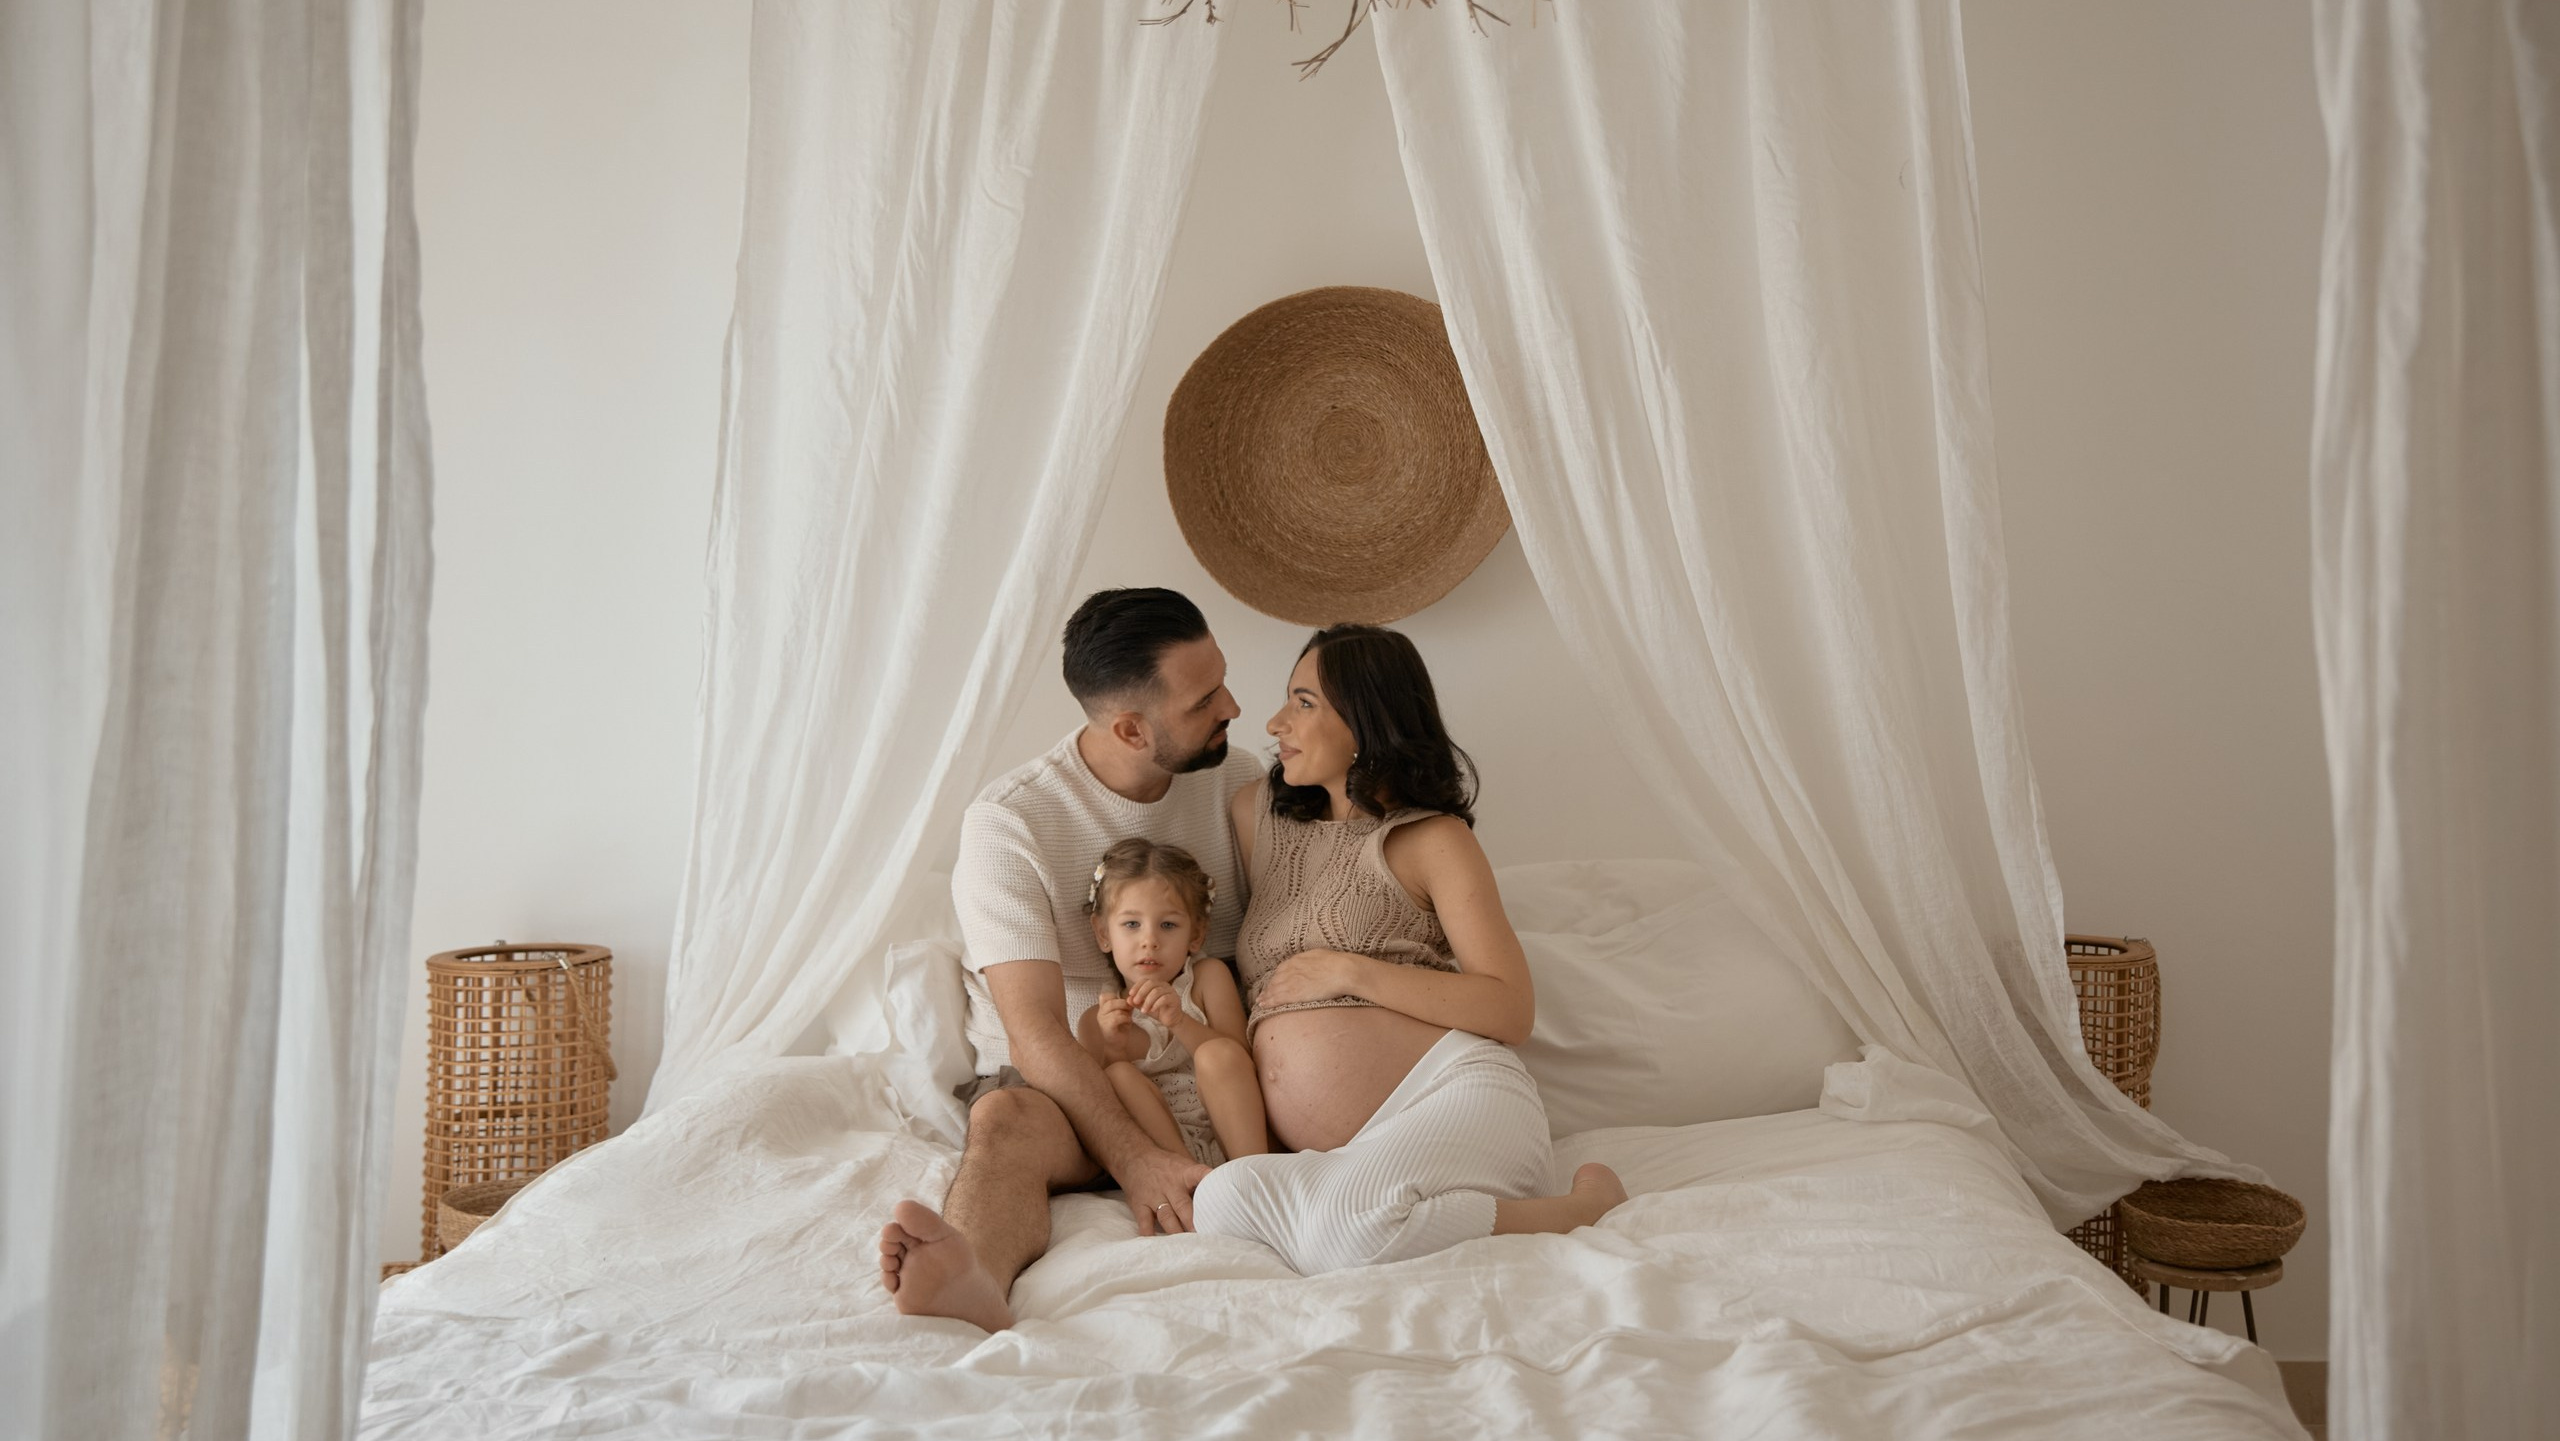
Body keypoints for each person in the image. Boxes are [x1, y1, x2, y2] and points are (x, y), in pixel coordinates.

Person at [877, 588, 1259, 1332]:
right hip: (1066, 1084)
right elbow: (1036, 1036)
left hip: (1205, 1060)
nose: (1233, 706)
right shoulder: (1011, 821)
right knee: (1007, 1119)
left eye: (1223, 679)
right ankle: (973, 1275)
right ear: (1129, 727)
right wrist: (1137, 1158)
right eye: (1204, 697)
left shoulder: (1240, 782)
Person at [1191, 623, 1625, 1274]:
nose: (1277, 721)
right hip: (1350, 1156)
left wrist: (1349, 971)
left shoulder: (1434, 840)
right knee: (1220, 1199)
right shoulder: (1256, 816)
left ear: (1369, 717)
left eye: (1304, 702)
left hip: (1456, 1095)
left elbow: (1510, 1007)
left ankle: (1581, 1205)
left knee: (1350, 1232)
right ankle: (1371, 1209)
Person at [1074, 838, 1268, 1168]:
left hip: (1236, 1135)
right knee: (1117, 1075)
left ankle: (1254, 1176)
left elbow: (1240, 1060)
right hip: (1169, 1148)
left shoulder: (1207, 979)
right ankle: (1188, 1180)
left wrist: (1179, 1021)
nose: (1150, 940)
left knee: (1216, 1051)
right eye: (1131, 924)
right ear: (1103, 932)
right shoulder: (1097, 1018)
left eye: (1168, 925)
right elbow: (1102, 1111)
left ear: (1196, 934)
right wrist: (1114, 1047)